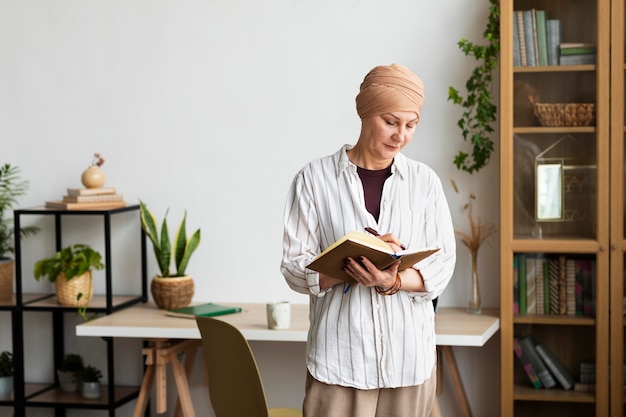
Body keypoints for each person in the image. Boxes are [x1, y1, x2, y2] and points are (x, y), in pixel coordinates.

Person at [280, 63, 456, 417]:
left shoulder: (424, 182)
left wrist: (392, 280)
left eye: (411, 125)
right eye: (390, 122)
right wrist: (349, 263)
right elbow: (294, 267)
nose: (400, 135)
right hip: (339, 363)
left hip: (409, 362)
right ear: (365, 113)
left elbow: (442, 264)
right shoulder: (314, 179)